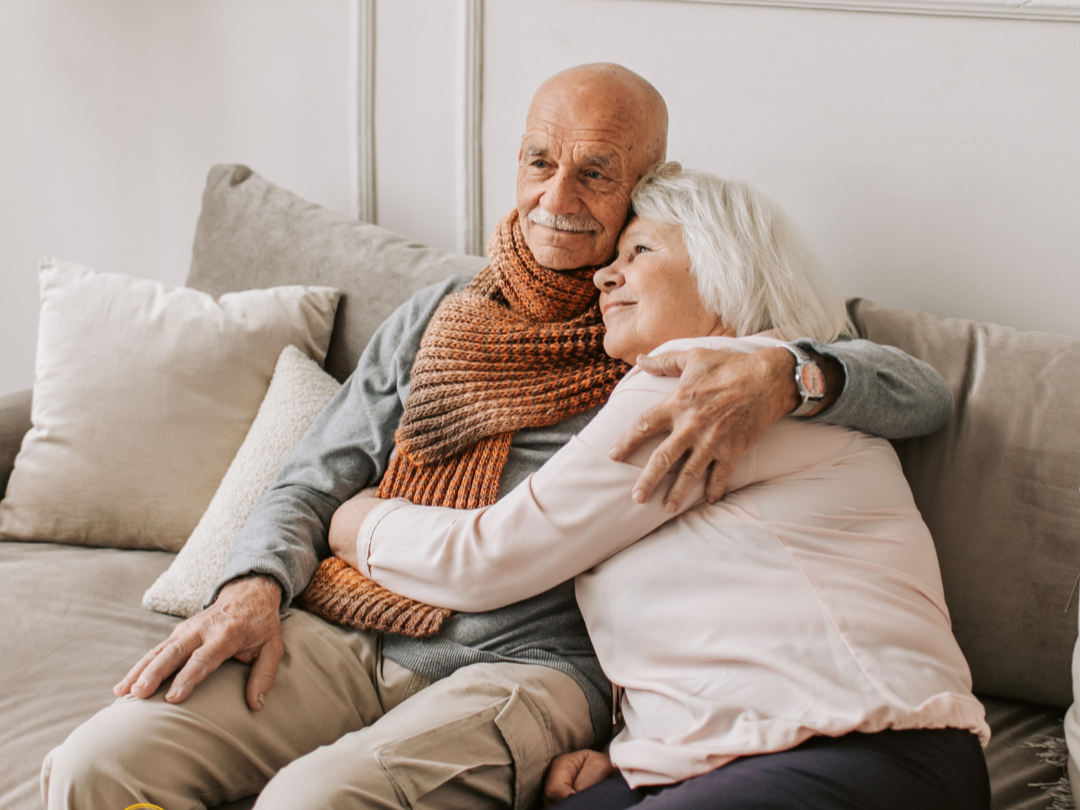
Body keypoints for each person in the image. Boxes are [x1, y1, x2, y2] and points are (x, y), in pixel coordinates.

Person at [42, 66, 955, 810]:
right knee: (98, 767)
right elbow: (313, 477)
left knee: (317, 801)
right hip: (352, 619)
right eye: (538, 161)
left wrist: (787, 374)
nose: (556, 196)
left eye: (597, 172)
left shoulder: (690, 360)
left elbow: (919, 391)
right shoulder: (441, 314)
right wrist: (247, 590)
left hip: (530, 666)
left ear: (645, 186)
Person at [333, 163, 992, 809]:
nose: (604, 274)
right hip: (752, 756)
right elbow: (713, 614)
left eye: (639, 249)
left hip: (860, 746)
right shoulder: (767, 382)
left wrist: (356, 521)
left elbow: (488, 559)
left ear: (725, 269)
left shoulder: (704, 382)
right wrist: (633, 747)